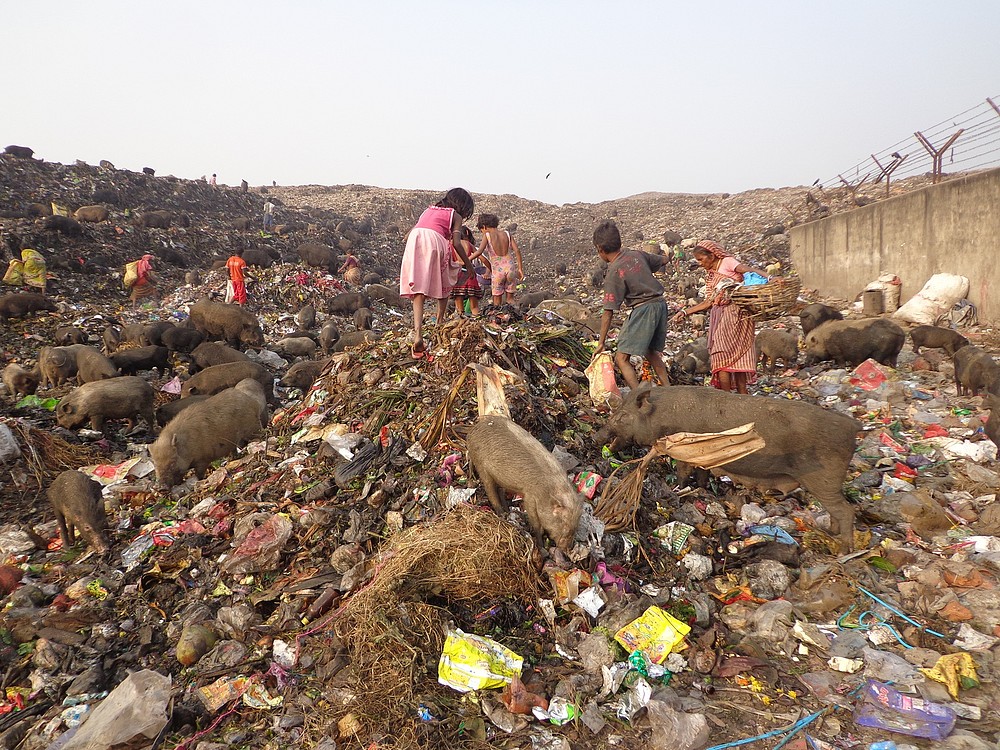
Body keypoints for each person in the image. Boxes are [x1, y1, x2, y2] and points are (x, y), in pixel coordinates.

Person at [672, 240, 772, 394]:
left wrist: (770, 278)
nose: (699, 263)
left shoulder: (727, 262)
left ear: (712, 256)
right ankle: (727, 396)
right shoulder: (711, 275)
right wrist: (685, 312)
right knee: (720, 355)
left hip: (737, 315)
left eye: (701, 259)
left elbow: (748, 270)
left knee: (733, 355)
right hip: (719, 317)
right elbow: (708, 302)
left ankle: (741, 395)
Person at [591, 220, 671, 390]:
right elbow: (662, 260)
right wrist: (667, 256)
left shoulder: (614, 271)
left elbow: (608, 311)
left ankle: (638, 398)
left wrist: (601, 342)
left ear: (600, 250)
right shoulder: (636, 254)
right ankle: (668, 388)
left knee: (621, 358)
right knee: (650, 351)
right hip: (660, 304)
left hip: (644, 309)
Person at [399, 188, 475, 358]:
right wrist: (469, 265)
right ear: (463, 205)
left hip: (416, 238)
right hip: (435, 239)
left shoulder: (429, 209)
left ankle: (418, 334)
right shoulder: (455, 215)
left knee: (419, 287)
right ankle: (439, 321)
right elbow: (456, 242)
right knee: (447, 277)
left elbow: (415, 229)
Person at [477, 213, 523, 306]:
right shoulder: (507, 234)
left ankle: (498, 318)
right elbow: (517, 250)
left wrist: (467, 258)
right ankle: (514, 315)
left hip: (498, 272)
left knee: (497, 302)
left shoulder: (487, 235)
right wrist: (520, 269)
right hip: (510, 269)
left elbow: (479, 252)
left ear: (484, 227)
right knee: (510, 300)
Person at [450, 226, 490, 318]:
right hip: (470, 275)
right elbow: (483, 259)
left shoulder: (450, 245)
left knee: (459, 308)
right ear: (467, 234)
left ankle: (461, 322)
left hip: (458, 276)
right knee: (474, 307)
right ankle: (476, 320)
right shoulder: (469, 244)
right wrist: (490, 270)